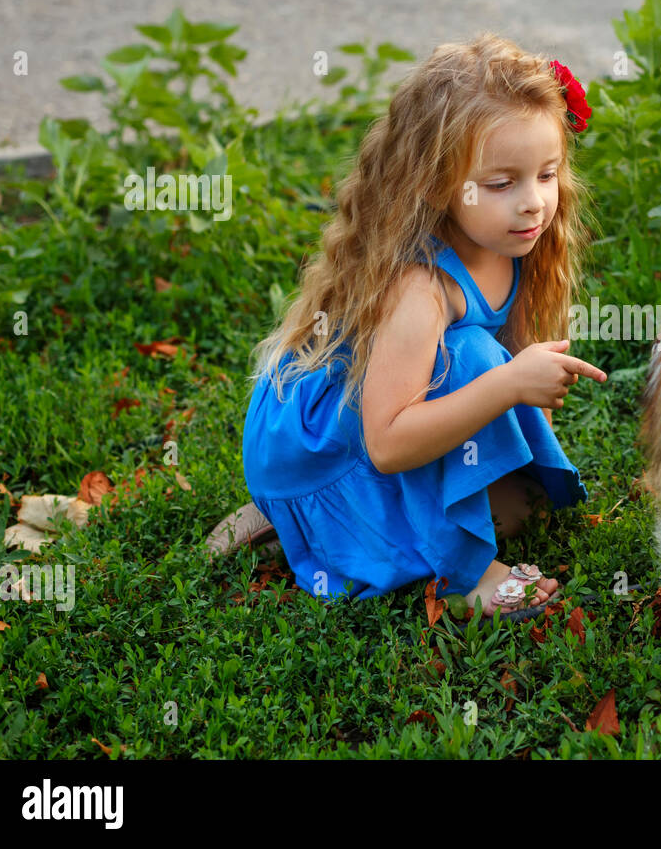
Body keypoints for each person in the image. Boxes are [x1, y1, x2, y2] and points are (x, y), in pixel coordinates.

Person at [214, 32, 607, 618]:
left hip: (388, 413)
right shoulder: (419, 287)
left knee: (517, 508)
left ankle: (309, 519)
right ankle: (460, 574)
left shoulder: (515, 243)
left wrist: (525, 451)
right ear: (436, 182)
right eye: (502, 183)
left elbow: (520, 359)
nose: (533, 203)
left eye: (547, 175)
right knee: (472, 355)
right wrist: (507, 384)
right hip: (324, 447)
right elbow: (390, 444)